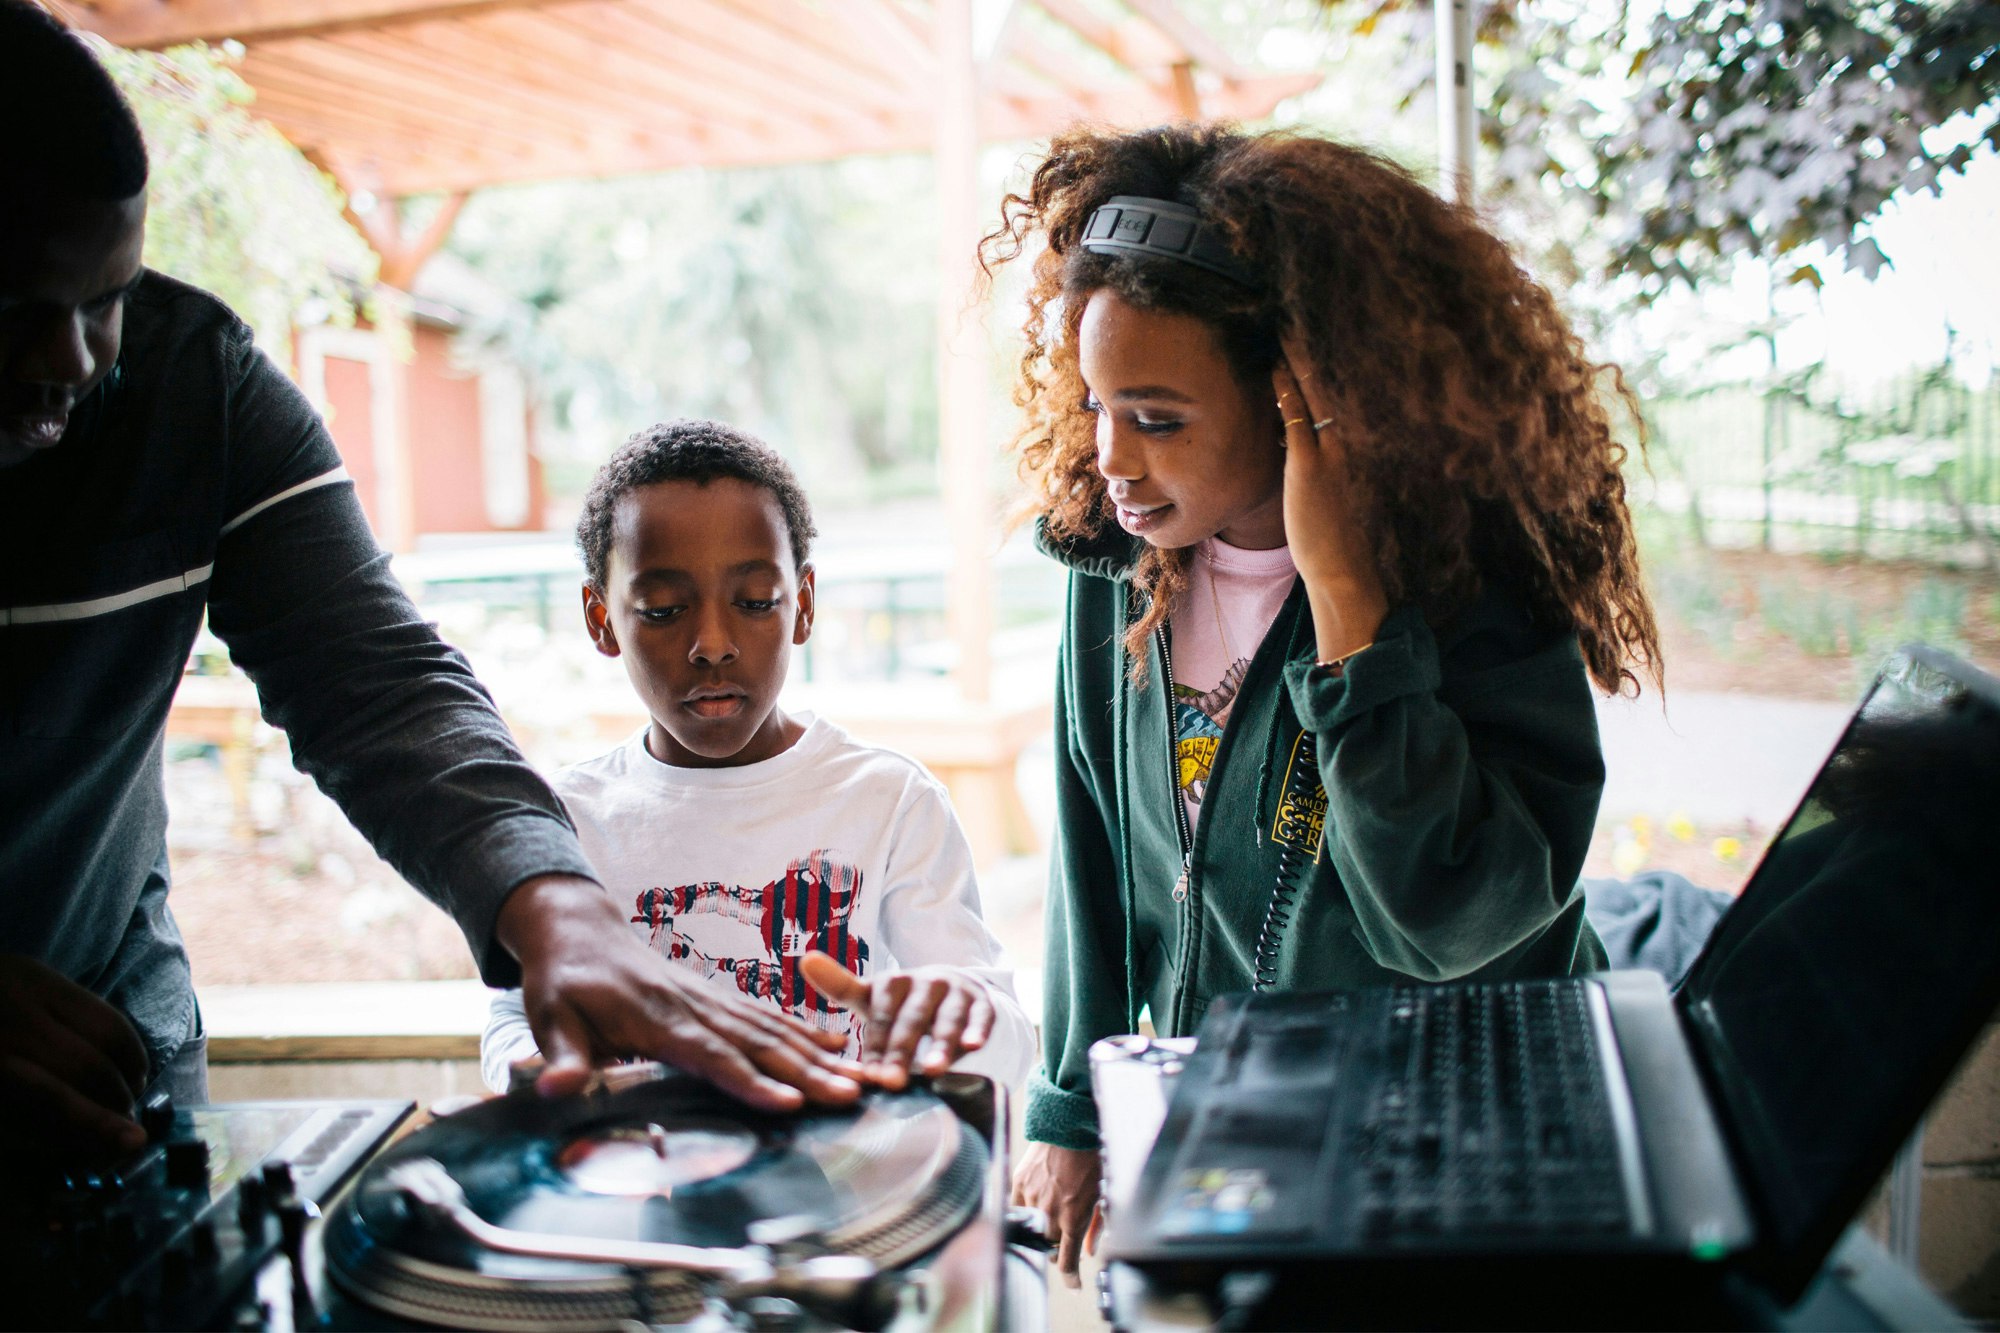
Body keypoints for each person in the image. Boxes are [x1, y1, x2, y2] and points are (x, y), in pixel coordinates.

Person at [0, 2, 864, 1155]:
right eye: (16, 309)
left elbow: (377, 679)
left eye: (105, 299)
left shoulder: (197, 389)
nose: (74, 359)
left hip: (117, 1077)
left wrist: (557, 902)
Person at [983, 125, 1663, 1281]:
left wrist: (1351, 609)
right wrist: (1066, 1107)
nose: (1108, 456)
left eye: (1156, 417)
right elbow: (1089, 847)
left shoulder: (1465, 587)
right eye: (1094, 403)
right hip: (1254, 1129)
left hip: (1462, 1132)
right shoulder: (1115, 570)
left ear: (1307, 398)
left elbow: (1444, 924)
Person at [481, 421, 1036, 1094]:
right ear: (601, 619)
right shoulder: (566, 818)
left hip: (847, 1190)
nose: (712, 642)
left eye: (754, 602)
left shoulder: (888, 801)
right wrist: (530, 1066)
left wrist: (956, 1020)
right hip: (643, 1182)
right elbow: (513, 1015)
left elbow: (1002, 1040)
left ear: (802, 605)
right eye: (661, 609)